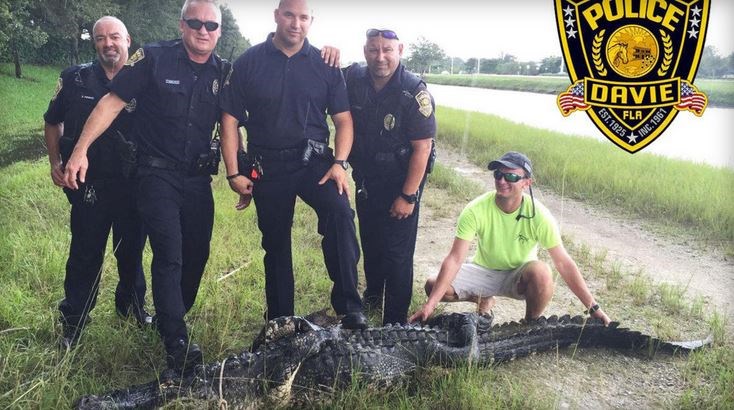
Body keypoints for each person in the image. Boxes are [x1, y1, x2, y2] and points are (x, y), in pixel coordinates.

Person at [63, 0, 225, 372]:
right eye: (195, 23)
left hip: (198, 180)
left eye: (211, 26)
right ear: (182, 25)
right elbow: (111, 103)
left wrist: (238, 172)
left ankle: (172, 315)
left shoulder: (224, 70)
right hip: (156, 175)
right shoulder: (152, 58)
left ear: (218, 31)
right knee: (169, 253)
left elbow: (231, 123)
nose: (203, 31)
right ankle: (176, 341)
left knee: (196, 254)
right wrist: (80, 151)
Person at [219, 0, 367, 329]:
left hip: (315, 162)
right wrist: (233, 172)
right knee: (275, 242)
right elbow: (229, 120)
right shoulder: (249, 63)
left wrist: (340, 163)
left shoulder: (325, 63)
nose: (295, 23)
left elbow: (343, 121)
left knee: (340, 213)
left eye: (303, 17)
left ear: (311, 21)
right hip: (267, 166)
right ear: (277, 17)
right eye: (289, 15)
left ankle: (350, 308)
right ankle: (281, 320)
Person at [44, 16, 151, 349]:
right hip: (88, 186)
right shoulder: (75, 79)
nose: (109, 43)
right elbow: (52, 121)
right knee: (85, 254)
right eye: (101, 38)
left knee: (131, 252)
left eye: (115, 36)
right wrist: (55, 161)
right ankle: (73, 324)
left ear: (128, 39)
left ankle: (131, 308)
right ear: (94, 43)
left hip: (133, 184)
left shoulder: (146, 80)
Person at [409, 151, 611, 326]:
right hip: (484, 270)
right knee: (432, 285)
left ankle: (530, 322)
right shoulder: (475, 209)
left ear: (526, 183)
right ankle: (483, 299)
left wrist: (593, 307)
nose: (502, 181)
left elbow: (564, 263)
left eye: (511, 177)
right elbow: (455, 258)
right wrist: (430, 305)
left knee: (542, 272)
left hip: (519, 276)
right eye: (498, 175)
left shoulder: (540, 215)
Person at [344, 28, 436, 325]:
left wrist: (408, 196)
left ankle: (394, 322)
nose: (380, 56)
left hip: (402, 182)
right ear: (365, 50)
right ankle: (372, 297)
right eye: (373, 49)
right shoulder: (353, 78)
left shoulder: (415, 91)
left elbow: (422, 148)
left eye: (387, 50)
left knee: (397, 254)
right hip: (368, 181)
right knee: (370, 242)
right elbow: (321, 72)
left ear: (401, 50)